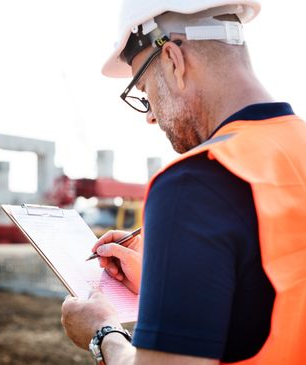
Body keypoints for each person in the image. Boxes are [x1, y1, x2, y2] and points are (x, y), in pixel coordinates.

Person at [61, 1, 306, 364]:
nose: (150, 116)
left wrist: (104, 333)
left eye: (144, 92)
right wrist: (168, 288)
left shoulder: (193, 183)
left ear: (174, 60)